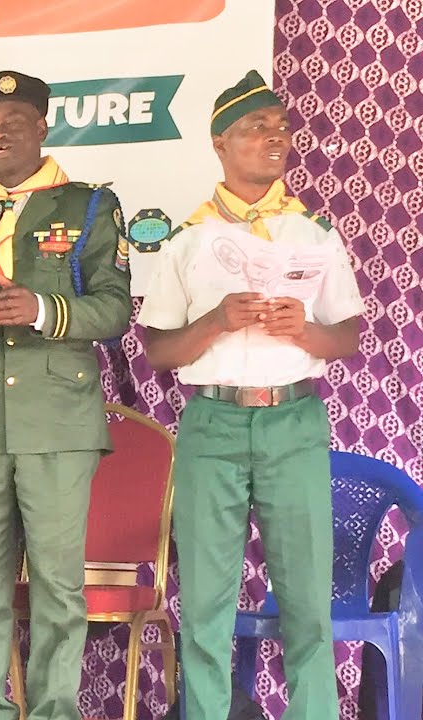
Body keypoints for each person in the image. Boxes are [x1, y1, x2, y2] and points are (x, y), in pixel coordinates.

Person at [138, 70, 362, 720]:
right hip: (213, 423)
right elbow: (157, 350)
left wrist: (307, 330)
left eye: (280, 127)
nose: (274, 138)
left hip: (293, 420)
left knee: (305, 604)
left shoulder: (312, 234)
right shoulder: (189, 240)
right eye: (256, 128)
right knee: (205, 604)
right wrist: (216, 321)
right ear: (220, 144)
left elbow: (346, 337)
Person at [0, 70, 131, 720]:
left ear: (41, 126)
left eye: (12, 122)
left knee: (58, 587)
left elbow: (114, 310)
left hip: (58, 422)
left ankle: (54, 710)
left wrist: (42, 308)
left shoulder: (91, 207)